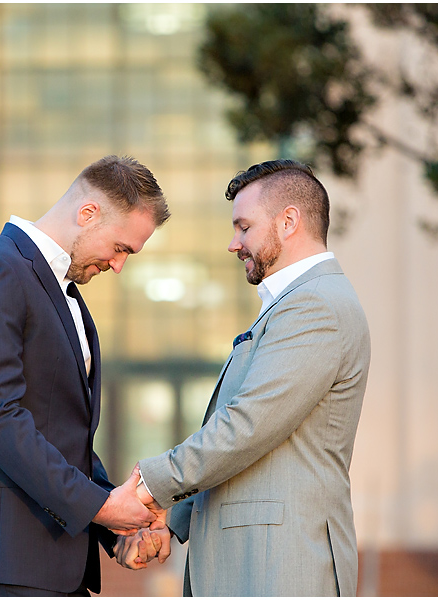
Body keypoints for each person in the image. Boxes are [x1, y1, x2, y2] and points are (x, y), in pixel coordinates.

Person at [116, 159, 371, 596]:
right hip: (259, 565)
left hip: (282, 568)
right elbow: (254, 448)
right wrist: (173, 520)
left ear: (288, 221)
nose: (234, 244)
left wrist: (147, 485)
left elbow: (246, 428)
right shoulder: (294, 303)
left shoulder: (315, 307)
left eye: (244, 227)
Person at [0, 155, 171, 596]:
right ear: (88, 213)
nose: (119, 266)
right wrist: (101, 507)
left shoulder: (65, 292)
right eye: (120, 248)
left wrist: (113, 527)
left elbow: (62, 434)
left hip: (55, 559)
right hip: (7, 558)